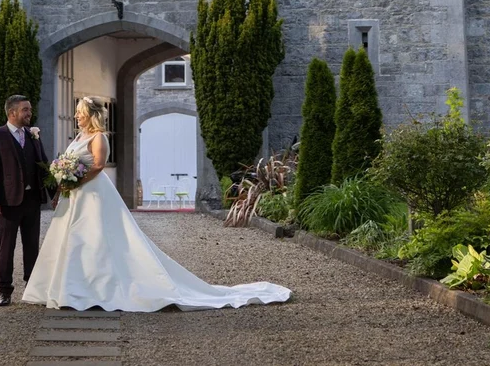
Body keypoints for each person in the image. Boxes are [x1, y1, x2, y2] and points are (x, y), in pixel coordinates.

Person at [21, 96, 291, 311]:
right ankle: (66, 288)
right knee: (72, 240)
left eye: (80, 112)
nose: (77, 116)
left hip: (92, 193)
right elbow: (68, 164)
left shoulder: (99, 137)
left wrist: (74, 179)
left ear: (90, 115)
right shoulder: (77, 137)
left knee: (95, 238)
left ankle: (93, 289)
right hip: (75, 195)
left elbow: (99, 165)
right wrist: (62, 183)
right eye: (77, 112)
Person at [0, 94, 51, 306]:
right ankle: (4, 290)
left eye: (29, 109)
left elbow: (44, 165)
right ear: (12, 113)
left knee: (32, 246)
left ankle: (32, 288)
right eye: (25, 110)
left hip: (32, 200)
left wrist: (55, 192)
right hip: (7, 202)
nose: (30, 113)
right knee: (7, 246)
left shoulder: (33, 135)